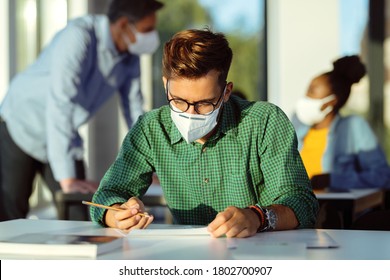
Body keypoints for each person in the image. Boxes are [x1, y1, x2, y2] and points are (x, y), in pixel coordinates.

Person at [90, 28, 319, 238]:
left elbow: (302, 204)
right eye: (178, 101)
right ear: (165, 85)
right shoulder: (151, 128)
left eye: (205, 104)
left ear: (226, 92)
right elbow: (108, 194)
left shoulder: (265, 122)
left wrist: (257, 217)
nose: (190, 114)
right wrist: (118, 214)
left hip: (262, 255)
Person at [0, 0, 164, 221]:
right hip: (22, 123)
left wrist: (151, 163)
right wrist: (67, 179)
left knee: (81, 213)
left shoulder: (130, 56)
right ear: (125, 24)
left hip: (63, 133)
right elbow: (61, 103)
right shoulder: (79, 36)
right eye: (148, 29)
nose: (153, 36)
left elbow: (134, 109)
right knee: (12, 215)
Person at [292, 55, 390, 191]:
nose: (305, 98)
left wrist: (332, 180)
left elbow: (382, 176)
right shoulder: (297, 126)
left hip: (332, 208)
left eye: (311, 91)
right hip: (295, 207)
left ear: (332, 100)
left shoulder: (353, 127)